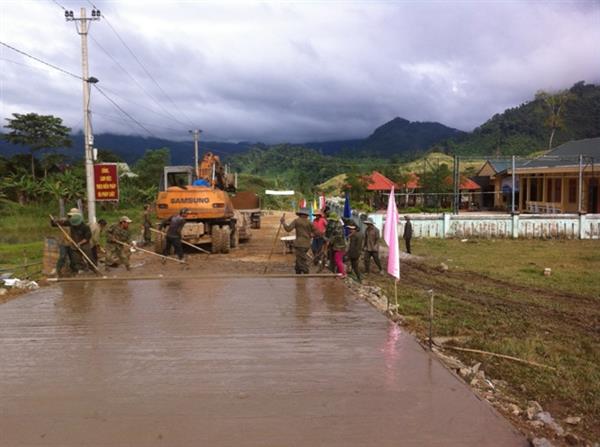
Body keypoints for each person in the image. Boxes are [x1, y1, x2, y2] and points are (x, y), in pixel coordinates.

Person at [51, 209, 93, 274]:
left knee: (85, 257)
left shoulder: (85, 227)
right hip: (70, 243)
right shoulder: (69, 222)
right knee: (71, 258)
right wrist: (54, 221)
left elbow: (87, 237)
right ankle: (78, 269)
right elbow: (56, 224)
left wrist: (80, 243)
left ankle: (90, 269)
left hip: (80, 243)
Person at [280, 208, 313, 274]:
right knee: (299, 259)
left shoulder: (297, 221)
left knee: (301, 260)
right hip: (307, 244)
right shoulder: (310, 222)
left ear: (300, 214)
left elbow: (288, 229)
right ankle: (298, 273)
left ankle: (306, 273)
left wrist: (283, 223)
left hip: (299, 244)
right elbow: (316, 232)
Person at [324, 211, 347, 277]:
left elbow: (337, 236)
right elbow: (329, 234)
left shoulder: (338, 226)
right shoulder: (331, 225)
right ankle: (335, 272)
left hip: (340, 246)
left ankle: (343, 273)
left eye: (332, 220)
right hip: (334, 246)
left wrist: (330, 241)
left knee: (338, 260)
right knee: (332, 259)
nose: (331, 221)